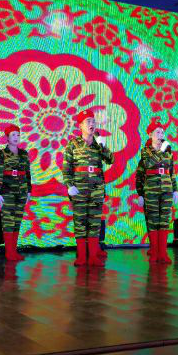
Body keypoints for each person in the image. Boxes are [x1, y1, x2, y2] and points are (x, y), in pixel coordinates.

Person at [62, 109, 113, 267]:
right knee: (80, 222)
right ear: (81, 126)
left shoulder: (98, 143)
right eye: (88, 121)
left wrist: (103, 146)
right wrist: (69, 185)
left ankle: (93, 257)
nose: (92, 124)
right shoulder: (73, 144)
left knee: (94, 223)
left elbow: (110, 160)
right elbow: (66, 168)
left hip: (97, 189)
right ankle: (82, 257)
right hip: (79, 189)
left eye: (93, 121)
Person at [135, 119, 178, 264]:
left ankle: (163, 253)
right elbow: (148, 165)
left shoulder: (168, 152)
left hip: (166, 189)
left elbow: (171, 171)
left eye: (162, 132)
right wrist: (140, 193)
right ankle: (154, 253)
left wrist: (175, 190)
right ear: (150, 135)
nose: (161, 135)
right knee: (153, 221)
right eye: (157, 132)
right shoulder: (146, 151)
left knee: (164, 221)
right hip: (151, 190)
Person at [0, 124, 32, 261]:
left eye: (18, 135)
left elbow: (27, 173)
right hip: (7, 190)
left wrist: (29, 190)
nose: (16, 137)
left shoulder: (24, 154)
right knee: (8, 222)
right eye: (13, 135)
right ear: (7, 138)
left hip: (22, 190)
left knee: (17, 221)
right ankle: (9, 253)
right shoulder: (1, 154)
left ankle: (13, 252)